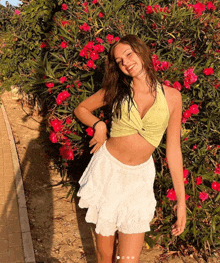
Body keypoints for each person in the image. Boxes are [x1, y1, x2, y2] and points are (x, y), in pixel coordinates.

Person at [74, 34, 186, 263]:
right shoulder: (117, 90)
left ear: (142, 53)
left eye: (128, 54)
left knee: (128, 260)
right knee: (105, 256)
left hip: (139, 180)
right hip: (108, 171)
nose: (125, 62)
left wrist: (181, 203)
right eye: (119, 60)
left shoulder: (173, 98)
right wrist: (99, 125)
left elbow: (173, 151)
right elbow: (81, 108)